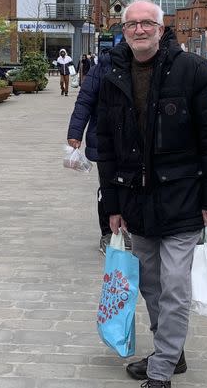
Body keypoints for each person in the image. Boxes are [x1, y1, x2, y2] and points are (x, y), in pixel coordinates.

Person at [97, 0, 207, 388]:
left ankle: (160, 375)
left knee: (175, 286)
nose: (139, 30)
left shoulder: (192, 70)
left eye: (147, 23)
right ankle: (172, 352)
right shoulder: (112, 73)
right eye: (131, 24)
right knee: (151, 284)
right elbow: (105, 144)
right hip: (136, 202)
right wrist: (112, 208)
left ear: (161, 27)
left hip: (182, 199)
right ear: (123, 29)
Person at [68, 27, 181, 255]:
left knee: (138, 184)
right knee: (108, 187)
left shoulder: (162, 65)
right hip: (106, 139)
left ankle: (138, 228)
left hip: (143, 142)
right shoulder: (106, 65)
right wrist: (75, 132)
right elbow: (85, 99)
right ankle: (109, 234)